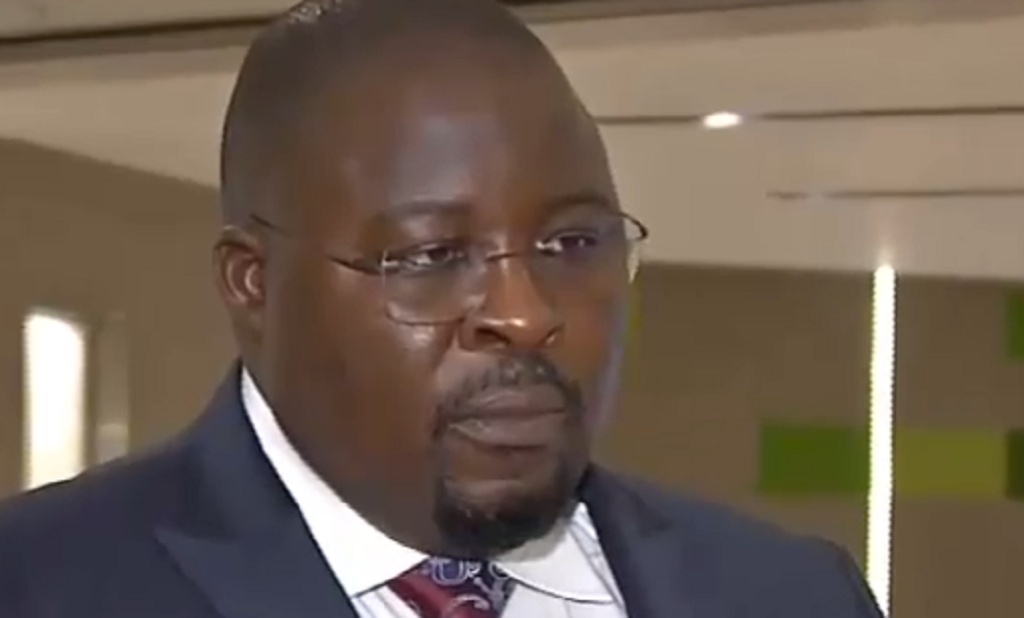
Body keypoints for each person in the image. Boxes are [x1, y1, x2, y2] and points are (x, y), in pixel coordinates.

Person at [0, 0, 884, 616]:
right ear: (254, 285)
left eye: (573, 243)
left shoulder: (792, 596)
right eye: (430, 257)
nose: (524, 314)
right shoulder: (39, 586)